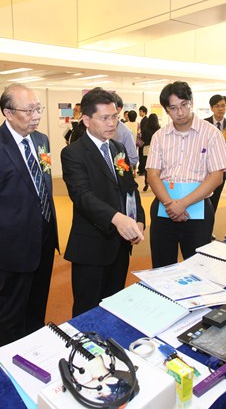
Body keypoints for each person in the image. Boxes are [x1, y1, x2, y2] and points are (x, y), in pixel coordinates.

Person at [0, 83, 59, 347]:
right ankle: (12, 357)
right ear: (7, 112)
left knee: (37, 302)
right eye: (28, 111)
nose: (36, 116)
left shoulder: (41, 140)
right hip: (11, 243)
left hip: (44, 237)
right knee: (12, 309)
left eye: (38, 109)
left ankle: (35, 349)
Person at [61, 88, 145, 317]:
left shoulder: (117, 148)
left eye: (114, 117)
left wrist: (138, 219)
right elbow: (82, 196)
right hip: (91, 245)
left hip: (120, 244)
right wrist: (116, 218)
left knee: (114, 304)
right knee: (87, 310)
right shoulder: (73, 153)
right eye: (104, 118)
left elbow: (130, 187)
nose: (112, 123)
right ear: (87, 120)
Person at [146, 81, 226, 268]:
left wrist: (183, 204)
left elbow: (216, 176)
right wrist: (170, 205)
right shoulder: (159, 136)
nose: (180, 112)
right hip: (164, 208)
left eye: (184, 105)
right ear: (167, 110)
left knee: (197, 267)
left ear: (191, 102)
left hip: (198, 209)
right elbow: (152, 175)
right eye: (173, 108)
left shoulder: (211, 134)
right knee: (162, 266)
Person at [205, 94, 226, 212]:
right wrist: (220, 139)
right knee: (203, 201)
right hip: (204, 170)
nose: (220, 108)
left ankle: (210, 223)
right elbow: (200, 147)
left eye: (223, 105)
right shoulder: (204, 124)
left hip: (221, 170)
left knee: (214, 202)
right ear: (211, 108)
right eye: (217, 106)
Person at [111, 93, 139, 170]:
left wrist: (114, 164)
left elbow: (133, 159)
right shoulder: (98, 129)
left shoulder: (125, 132)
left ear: (118, 109)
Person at [141, 113, 160, 191]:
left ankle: (146, 183)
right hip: (156, 148)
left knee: (147, 167)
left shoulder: (145, 129)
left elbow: (143, 139)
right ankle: (156, 183)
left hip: (146, 148)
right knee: (156, 167)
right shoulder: (159, 129)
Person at [137, 106, 149, 175]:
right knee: (141, 155)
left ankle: (142, 170)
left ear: (144, 112)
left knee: (142, 155)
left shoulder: (145, 120)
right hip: (143, 140)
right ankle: (141, 169)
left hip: (143, 141)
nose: (139, 113)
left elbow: (143, 131)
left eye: (140, 111)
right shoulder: (143, 119)